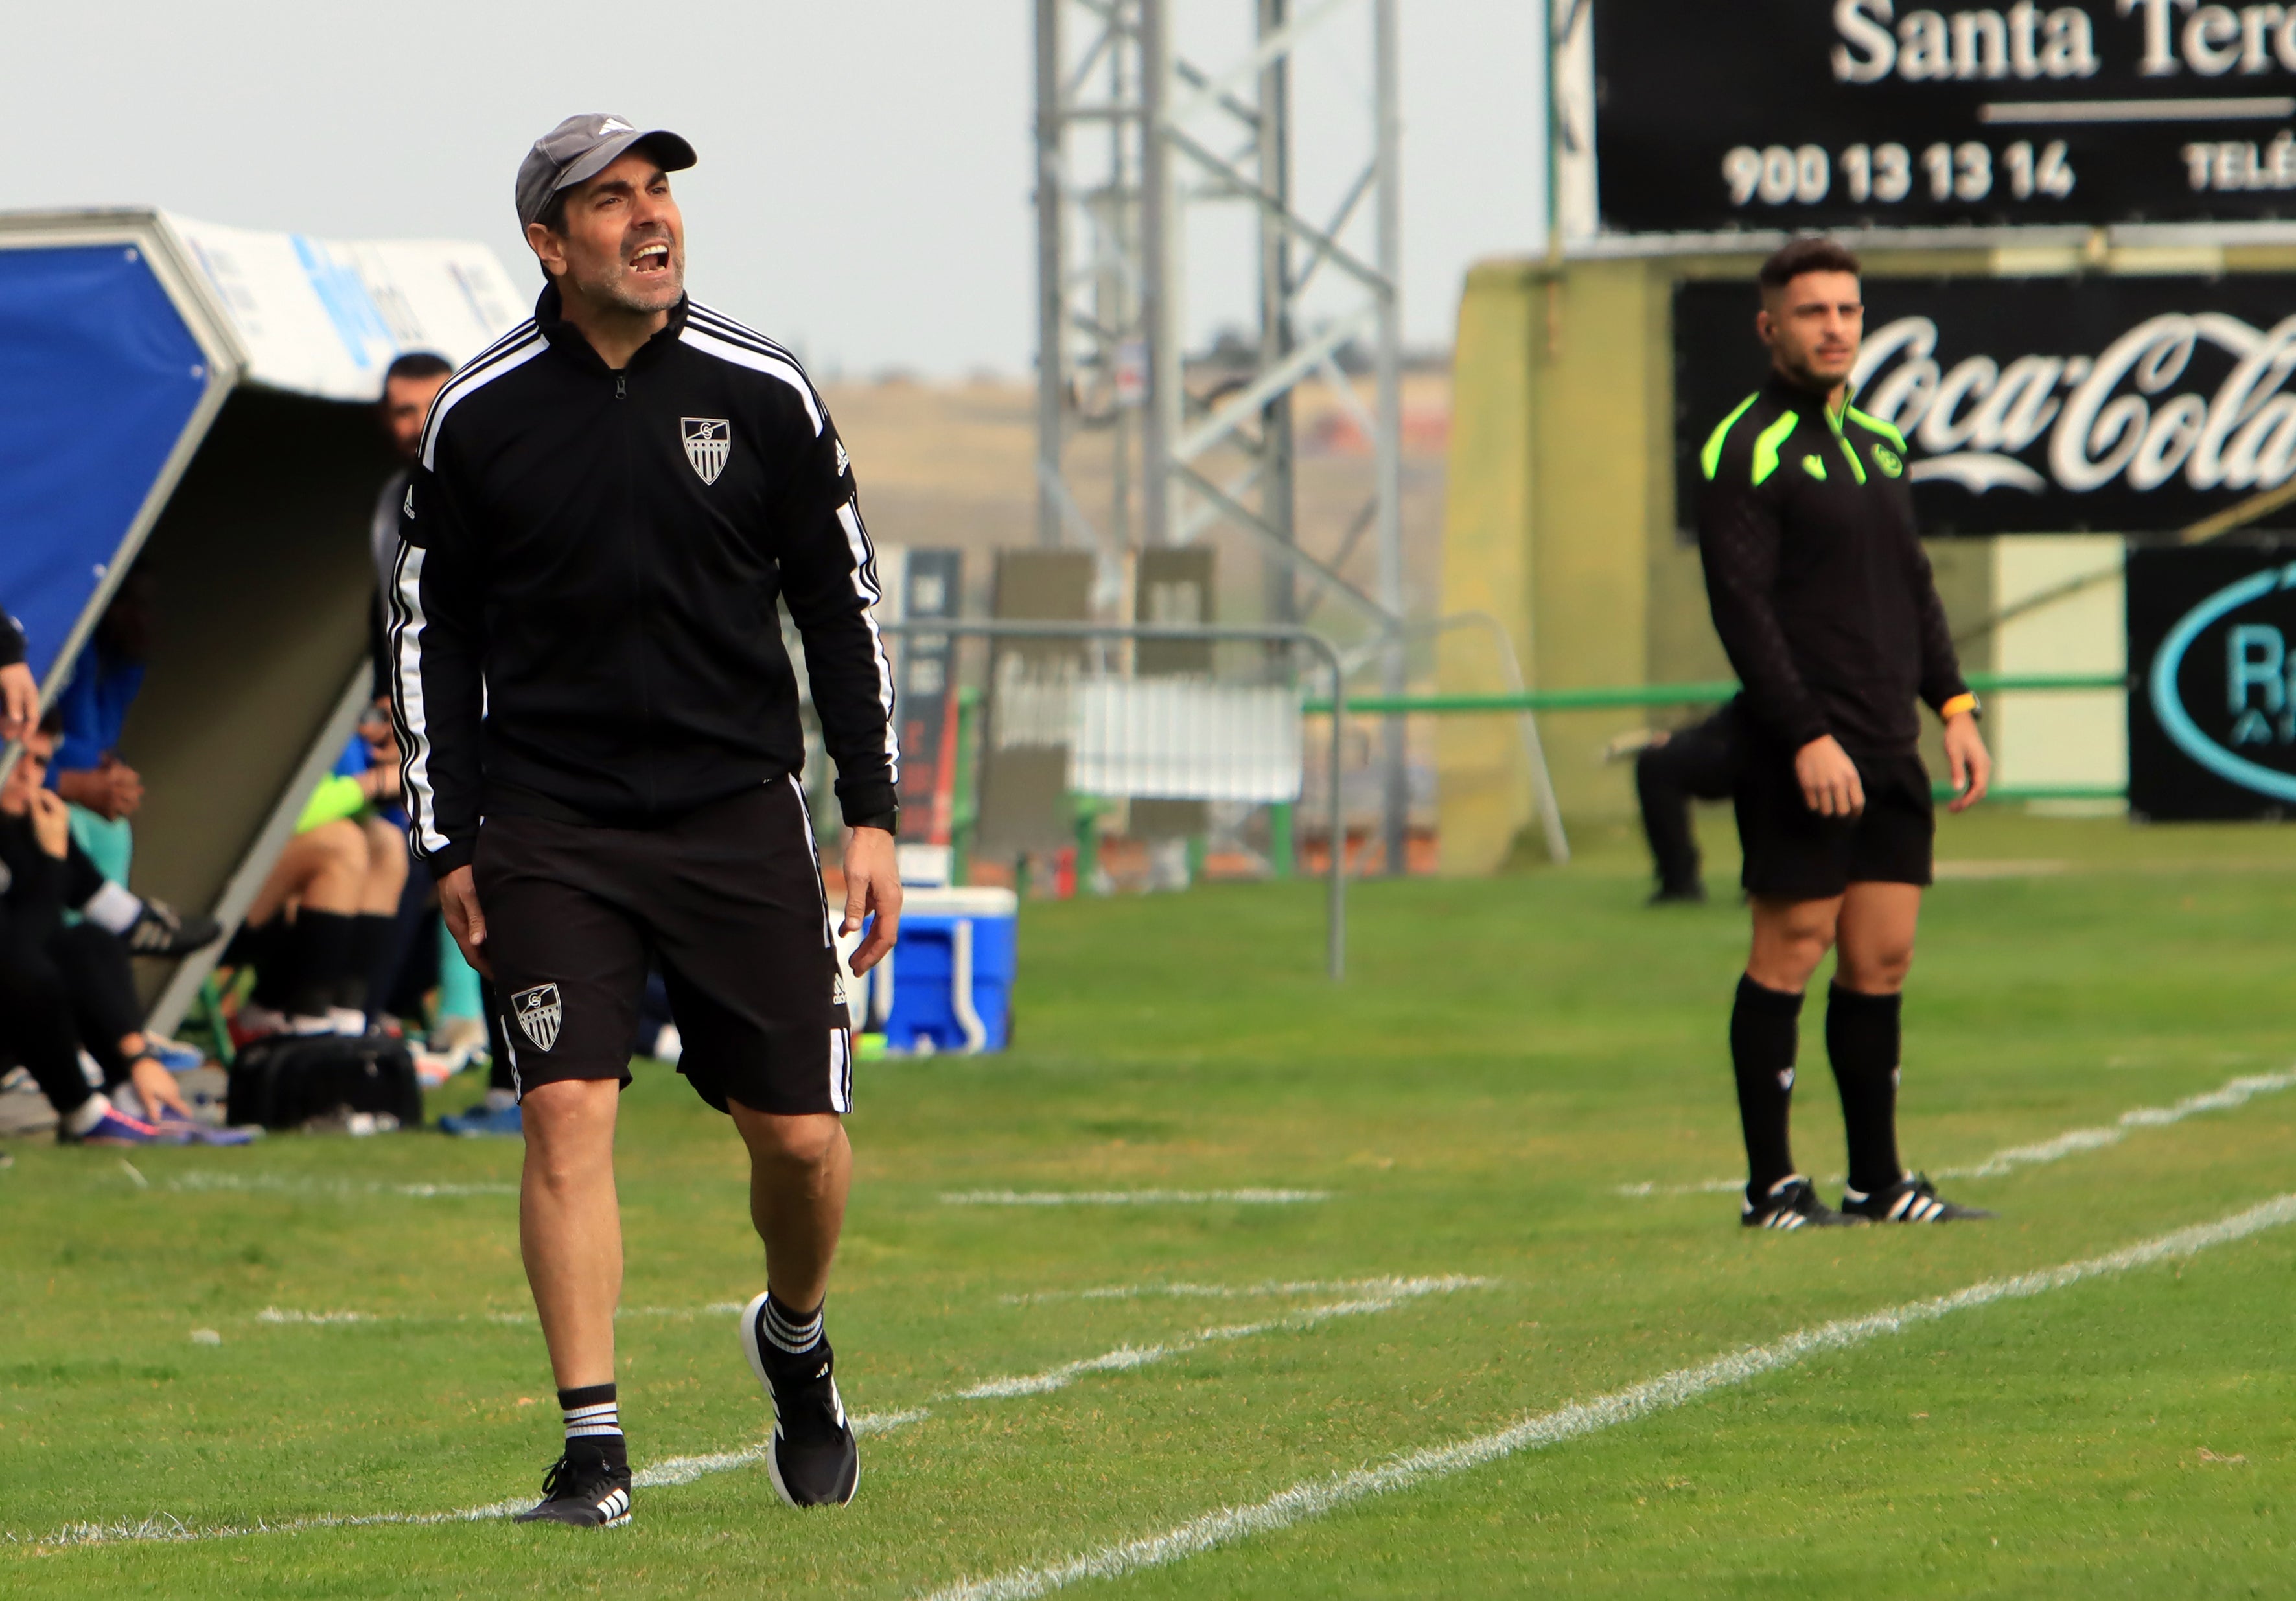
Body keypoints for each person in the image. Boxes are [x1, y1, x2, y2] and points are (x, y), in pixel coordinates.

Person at [389, 113, 901, 1527]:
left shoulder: (766, 389)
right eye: (608, 201)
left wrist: (871, 811)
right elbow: (426, 632)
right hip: (549, 824)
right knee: (562, 1108)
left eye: (658, 190)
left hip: (741, 815)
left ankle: (795, 1339)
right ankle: (593, 1446)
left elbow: (839, 609)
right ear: (549, 246)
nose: (648, 217)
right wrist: (451, 837)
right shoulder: (476, 416)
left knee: (798, 1141)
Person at [1695, 237, 1993, 1231]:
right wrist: (1805, 736)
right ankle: (1771, 1187)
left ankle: (1877, 1183)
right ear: (1767, 325)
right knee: (1791, 946)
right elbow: (1740, 610)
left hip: (1887, 746)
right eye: (1812, 310)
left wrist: (1951, 707)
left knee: (1882, 958)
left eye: (1847, 310)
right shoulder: (1744, 446)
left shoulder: (1876, 442)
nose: (1832, 327)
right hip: (1801, 750)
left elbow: (1909, 588)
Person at [0, 715, 246, 1145]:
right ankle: (85, 1112)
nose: (26, 772)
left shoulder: (27, 817)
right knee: (32, 955)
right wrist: (55, 860)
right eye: (16, 757)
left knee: (88, 940)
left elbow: (68, 907)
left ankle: (133, 1087)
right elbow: (19, 945)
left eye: (39, 762)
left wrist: (136, 1053)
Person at [1625, 709, 1741, 904]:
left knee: (1770, 762)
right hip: (1744, 734)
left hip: (1793, 738)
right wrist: (1682, 737)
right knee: (1657, 761)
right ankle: (1679, 881)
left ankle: (1778, 882)